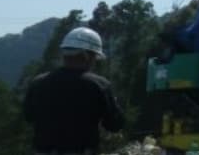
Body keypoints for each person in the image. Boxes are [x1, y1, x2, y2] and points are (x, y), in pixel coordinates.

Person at [23, 27, 126, 155]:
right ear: (87, 56)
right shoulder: (98, 85)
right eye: (95, 57)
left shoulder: (38, 82)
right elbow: (115, 125)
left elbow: (28, 116)